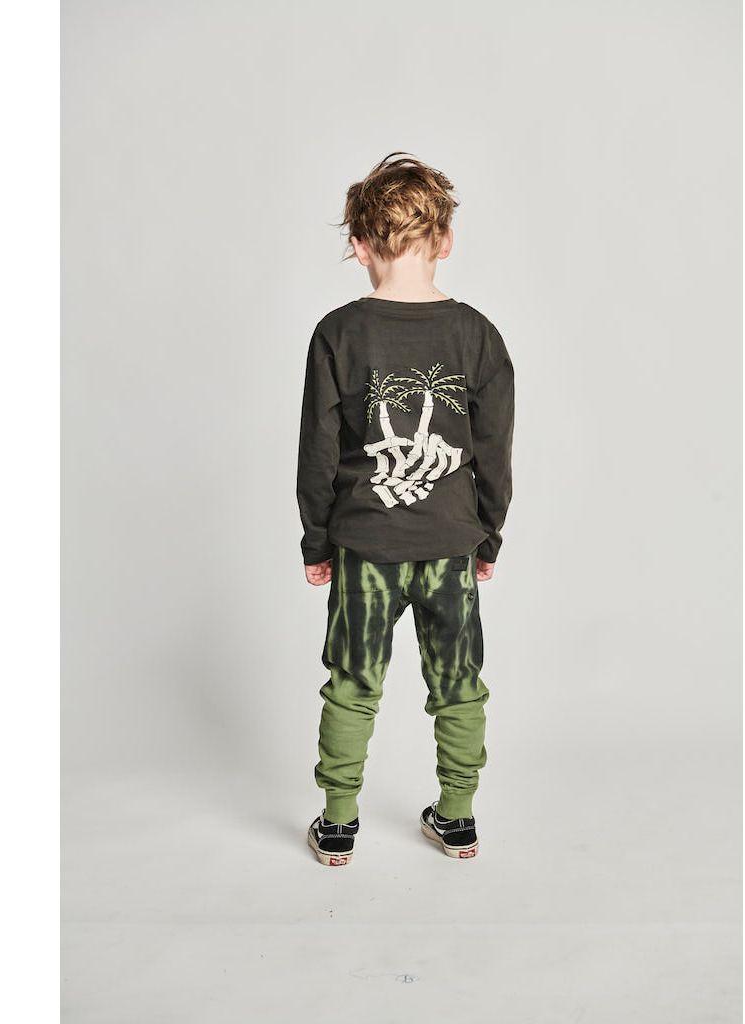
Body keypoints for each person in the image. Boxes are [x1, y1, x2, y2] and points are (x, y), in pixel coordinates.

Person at [296, 153, 515, 866]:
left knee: (352, 684)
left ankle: (337, 822)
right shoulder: (477, 335)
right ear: (444, 240)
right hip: (450, 547)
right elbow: (494, 452)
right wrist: (487, 538)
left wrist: (317, 542)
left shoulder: (337, 333)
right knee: (458, 685)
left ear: (359, 245)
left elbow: (318, 452)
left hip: (365, 547)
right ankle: (457, 817)